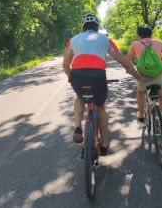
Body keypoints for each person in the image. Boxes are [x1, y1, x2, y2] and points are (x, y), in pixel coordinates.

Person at [62, 13, 149, 155]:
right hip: (98, 76)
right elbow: (124, 62)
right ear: (97, 27)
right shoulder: (105, 39)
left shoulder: (73, 40)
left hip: (78, 75)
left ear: (83, 27)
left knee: (79, 97)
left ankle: (77, 128)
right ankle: (104, 143)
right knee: (100, 107)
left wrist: (70, 77)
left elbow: (65, 64)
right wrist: (138, 76)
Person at [127, 24, 162, 134]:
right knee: (161, 96)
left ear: (139, 35)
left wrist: (131, 71)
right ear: (151, 34)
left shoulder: (135, 44)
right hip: (160, 78)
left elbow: (127, 60)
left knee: (140, 91)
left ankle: (141, 116)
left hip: (143, 79)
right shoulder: (158, 43)